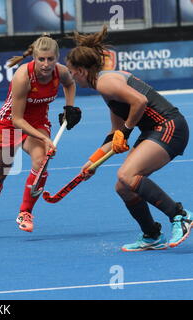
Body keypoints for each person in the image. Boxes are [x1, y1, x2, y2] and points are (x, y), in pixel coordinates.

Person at [65, 26, 191, 251]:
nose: (70, 76)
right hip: (154, 131)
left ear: (82, 71)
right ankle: (152, 234)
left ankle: (180, 216)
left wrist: (128, 130)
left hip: (170, 127)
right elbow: (115, 134)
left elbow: (140, 102)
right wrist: (92, 162)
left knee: (126, 174)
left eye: (71, 71)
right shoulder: (104, 89)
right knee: (123, 187)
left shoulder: (106, 81)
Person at [0, 35, 81, 238]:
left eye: (50, 59)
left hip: (37, 122)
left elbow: (70, 84)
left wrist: (69, 107)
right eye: (41, 59)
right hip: (9, 123)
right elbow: (17, 119)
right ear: (34, 58)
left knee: (41, 161)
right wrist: (45, 138)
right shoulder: (23, 77)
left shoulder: (60, 72)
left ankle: (26, 212)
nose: (46, 64)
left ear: (56, 58)